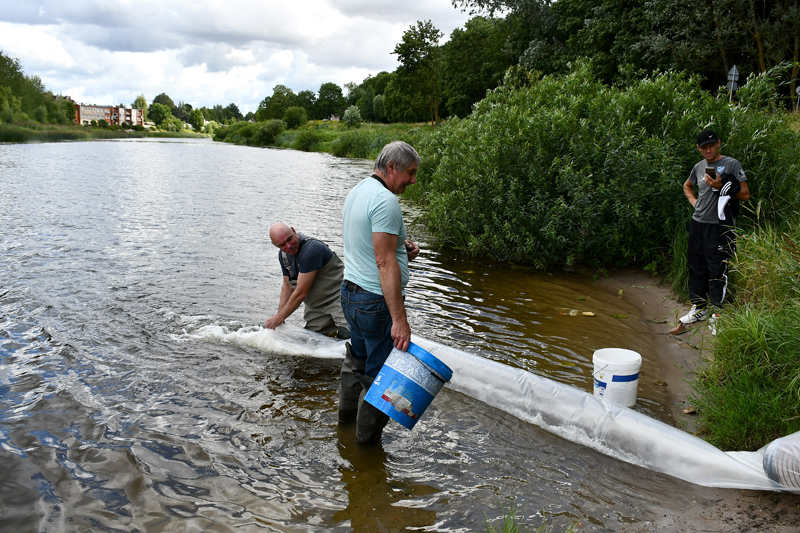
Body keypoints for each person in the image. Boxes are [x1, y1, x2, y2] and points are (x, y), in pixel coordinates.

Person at [339, 141, 421, 444]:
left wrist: (401, 247)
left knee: (357, 361)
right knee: (380, 377)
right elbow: (384, 262)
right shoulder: (386, 201)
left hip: (350, 294)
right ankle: (366, 447)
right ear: (391, 168)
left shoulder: (359, 190)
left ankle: (344, 425)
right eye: (410, 172)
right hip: (375, 302)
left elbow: (368, 242)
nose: (413, 180)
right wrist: (400, 320)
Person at [675, 129, 750, 335]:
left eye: (711, 145)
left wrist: (722, 185)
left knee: (717, 269)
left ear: (719, 143)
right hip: (698, 223)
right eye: (704, 147)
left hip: (720, 225)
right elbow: (687, 186)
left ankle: (717, 314)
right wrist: (694, 202)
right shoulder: (699, 167)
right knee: (697, 266)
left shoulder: (732, 164)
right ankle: (699, 308)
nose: (708, 150)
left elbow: (745, 194)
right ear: (698, 148)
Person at [264, 223, 350, 339]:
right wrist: (280, 315)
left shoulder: (311, 249)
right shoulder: (283, 256)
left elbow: (301, 292)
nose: (289, 246)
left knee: (348, 336)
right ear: (275, 245)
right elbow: (287, 286)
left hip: (338, 298)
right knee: (313, 341)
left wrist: (279, 318)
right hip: (315, 306)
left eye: (289, 239)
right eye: (282, 245)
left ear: (294, 231)